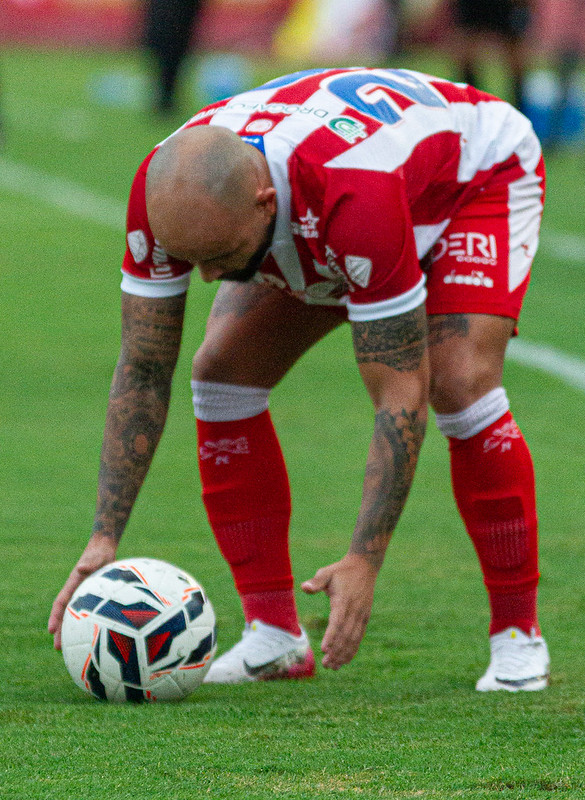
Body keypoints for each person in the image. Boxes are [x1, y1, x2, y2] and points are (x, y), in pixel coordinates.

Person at [48, 66, 550, 691]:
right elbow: (145, 366)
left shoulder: (354, 198)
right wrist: (104, 535)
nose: (207, 280)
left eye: (222, 259)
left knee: (457, 385)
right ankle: (275, 637)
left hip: (472, 179)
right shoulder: (163, 188)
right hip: (324, 200)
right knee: (221, 372)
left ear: (263, 205)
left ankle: (517, 636)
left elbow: (400, 394)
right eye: (193, 261)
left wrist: (364, 560)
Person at [450, 0, 533, 112]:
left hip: (508, 5)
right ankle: (470, 108)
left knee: (515, 58)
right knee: (466, 53)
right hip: (475, 6)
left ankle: (519, 111)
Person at [141, 0, 204, 115]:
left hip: (174, 23)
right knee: (169, 61)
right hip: (174, 25)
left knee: (168, 62)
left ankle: (165, 99)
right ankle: (165, 99)